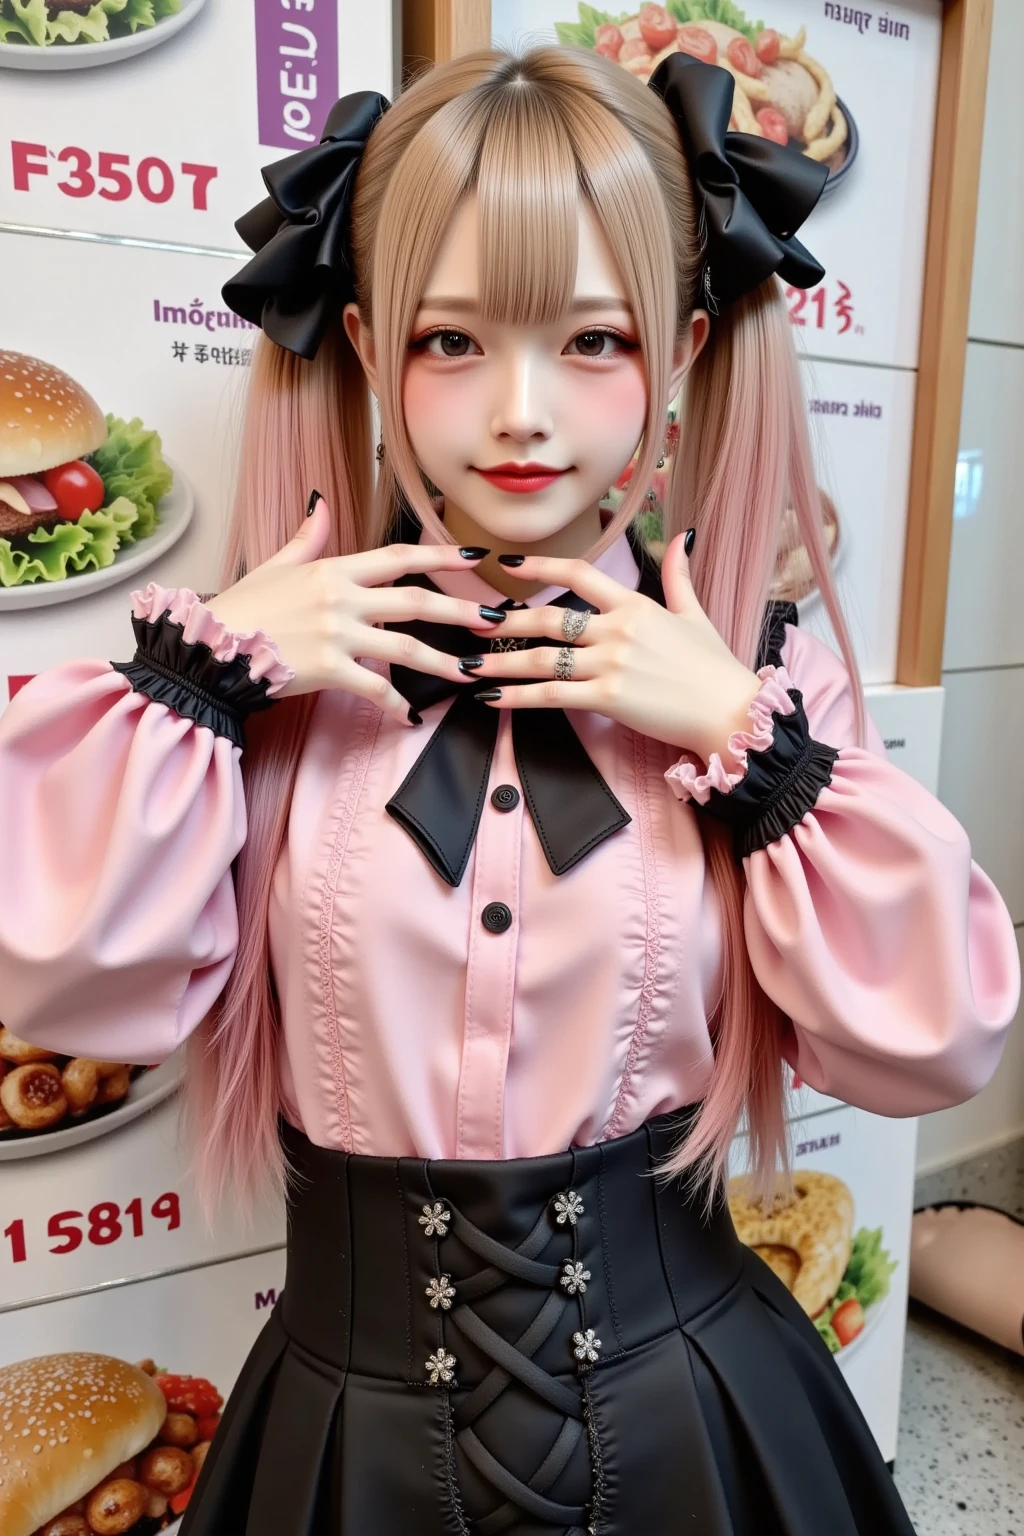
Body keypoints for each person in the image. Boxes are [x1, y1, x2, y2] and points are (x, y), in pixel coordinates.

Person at [0, 45, 1017, 1536]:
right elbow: (78, 986)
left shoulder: (768, 683)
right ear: (360, 338)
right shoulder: (249, 683)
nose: (522, 414)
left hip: (709, 1429)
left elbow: (928, 1049)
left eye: (593, 341)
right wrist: (201, 688)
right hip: (348, 1444)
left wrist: (755, 749)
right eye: (453, 341)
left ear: (678, 350)